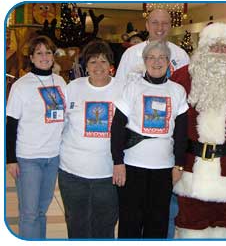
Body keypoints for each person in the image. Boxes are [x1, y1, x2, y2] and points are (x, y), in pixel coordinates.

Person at [170, 22, 226, 238]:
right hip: (190, 170)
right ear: (203, 50)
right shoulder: (181, 79)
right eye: (214, 47)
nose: (220, 53)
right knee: (190, 225)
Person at [111, 41, 188, 238]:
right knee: (130, 222)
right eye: (151, 57)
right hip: (132, 165)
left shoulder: (177, 91)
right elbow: (117, 127)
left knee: (158, 223)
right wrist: (118, 162)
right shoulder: (132, 88)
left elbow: (181, 132)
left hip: (163, 168)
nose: (156, 62)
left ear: (168, 62)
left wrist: (179, 165)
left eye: (161, 57)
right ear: (144, 61)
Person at [58, 40, 123, 238]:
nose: (98, 67)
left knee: (105, 225)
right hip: (72, 172)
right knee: (76, 224)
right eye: (93, 62)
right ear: (86, 65)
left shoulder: (123, 89)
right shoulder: (73, 88)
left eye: (103, 61)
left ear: (110, 64)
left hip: (108, 174)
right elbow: (59, 123)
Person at [6, 35, 66, 239]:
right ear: (31, 57)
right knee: (29, 213)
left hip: (53, 157)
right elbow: (11, 125)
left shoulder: (60, 81)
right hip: (28, 157)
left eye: (48, 52)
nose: (44, 56)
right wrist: (11, 160)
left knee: (42, 210)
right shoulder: (21, 86)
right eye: (39, 53)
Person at [116, 9, 189, 85]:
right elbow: (119, 86)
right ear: (147, 26)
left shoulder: (181, 55)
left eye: (165, 23)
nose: (160, 27)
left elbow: (187, 88)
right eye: (155, 23)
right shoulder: (130, 54)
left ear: (170, 26)